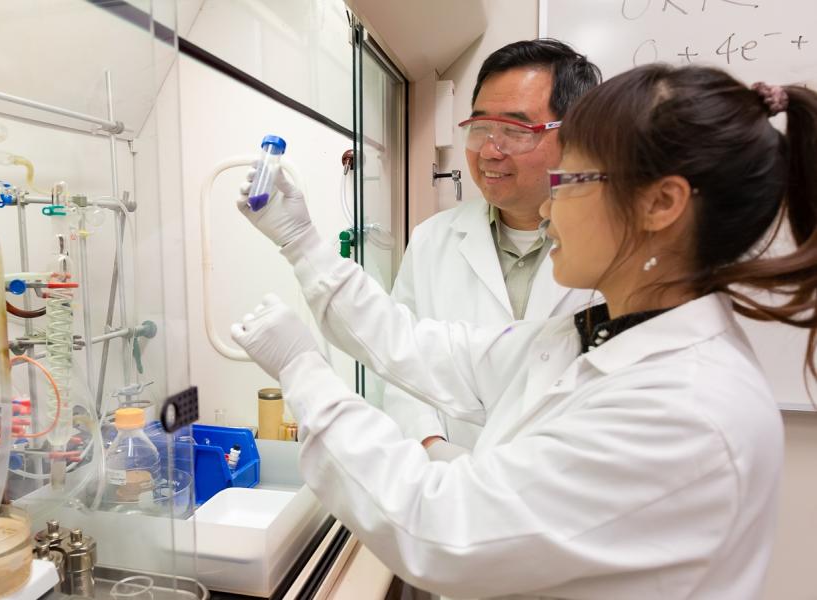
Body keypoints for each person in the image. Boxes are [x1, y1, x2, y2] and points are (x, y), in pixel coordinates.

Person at [230, 64, 817, 598]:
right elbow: (428, 349)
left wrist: (304, 373)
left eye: (569, 183)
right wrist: (301, 244)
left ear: (660, 204)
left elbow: (442, 528)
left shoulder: (684, 410)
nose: (546, 209)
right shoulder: (595, 335)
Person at [384, 39, 602, 459]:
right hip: (446, 492)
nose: (488, 151)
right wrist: (431, 447)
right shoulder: (432, 240)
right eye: (480, 128)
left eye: (516, 131)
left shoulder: (608, 252)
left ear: (575, 135)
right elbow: (401, 365)